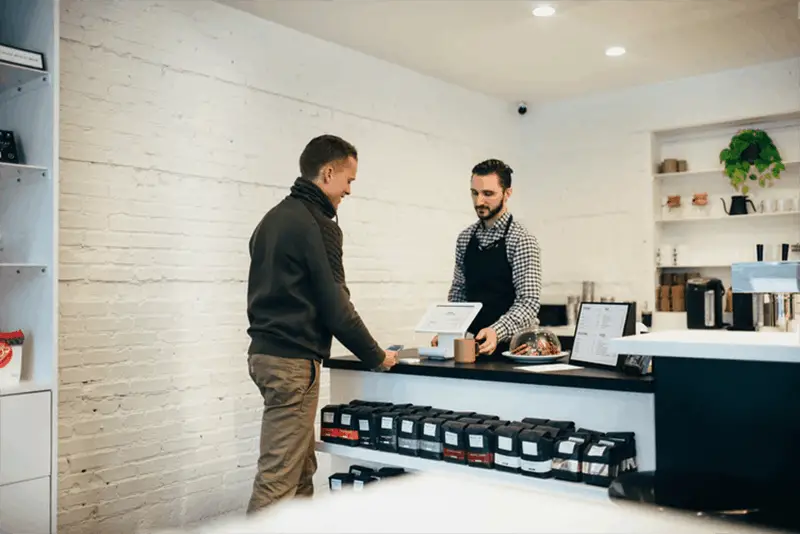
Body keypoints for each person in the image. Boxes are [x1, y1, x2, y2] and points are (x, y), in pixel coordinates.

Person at [245, 134, 398, 514]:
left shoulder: (271, 220)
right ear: (328, 173)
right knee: (278, 479)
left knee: (300, 470)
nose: (348, 190)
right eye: (348, 180)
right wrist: (377, 356)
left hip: (264, 356)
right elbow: (336, 306)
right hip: (294, 363)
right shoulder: (319, 224)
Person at [437, 159, 542, 357]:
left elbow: (529, 302)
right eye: (474, 193)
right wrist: (448, 331)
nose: (479, 202)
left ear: (507, 193)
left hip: (517, 349)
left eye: (488, 194)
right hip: (475, 347)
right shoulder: (465, 238)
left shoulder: (521, 239)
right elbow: (459, 293)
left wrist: (497, 331)